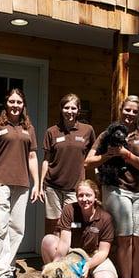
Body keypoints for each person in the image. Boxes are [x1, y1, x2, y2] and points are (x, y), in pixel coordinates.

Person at [85, 95, 139, 278]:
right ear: (121, 110)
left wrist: (126, 154)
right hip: (117, 189)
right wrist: (107, 155)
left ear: (138, 113)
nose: (130, 114)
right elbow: (88, 161)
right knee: (125, 239)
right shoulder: (108, 133)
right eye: (127, 110)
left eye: (134, 111)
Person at [0, 88, 41, 278]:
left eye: (19, 102)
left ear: (23, 105)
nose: (15, 105)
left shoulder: (28, 128)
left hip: (22, 183)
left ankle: (7, 268)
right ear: (6, 103)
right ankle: (1, 274)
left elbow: (33, 157)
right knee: (0, 228)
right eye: (12, 102)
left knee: (17, 228)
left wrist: (37, 183)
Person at [41, 179, 118, 278]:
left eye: (88, 195)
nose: (84, 199)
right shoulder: (69, 210)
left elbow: (103, 251)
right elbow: (64, 243)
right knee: (48, 241)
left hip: (92, 255)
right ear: (76, 196)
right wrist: (55, 265)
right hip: (72, 254)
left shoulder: (105, 218)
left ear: (95, 196)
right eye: (80, 195)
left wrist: (88, 265)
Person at [40, 93, 96, 235]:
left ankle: (70, 254)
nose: (69, 111)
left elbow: (92, 155)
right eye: (66, 108)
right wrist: (41, 185)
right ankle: (54, 255)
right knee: (54, 224)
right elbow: (46, 159)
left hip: (75, 187)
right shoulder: (51, 132)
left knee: (72, 224)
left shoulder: (87, 130)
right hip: (53, 186)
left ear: (78, 110)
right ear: (61, 109)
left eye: (73, 108)